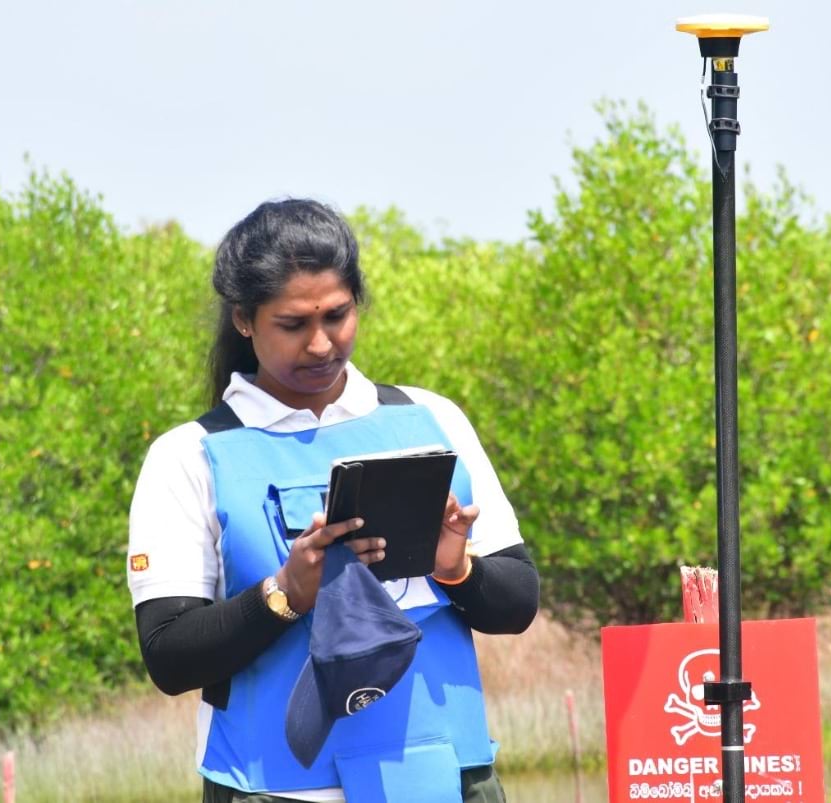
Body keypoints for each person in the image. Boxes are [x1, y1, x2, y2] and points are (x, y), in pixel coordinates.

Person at [126, 198, 540, 803]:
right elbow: (170, 657)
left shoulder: (433, 419)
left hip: (446, 776)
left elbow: (518, 604)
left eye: (338, 316)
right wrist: (286, 594)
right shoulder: (187, 455)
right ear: (244, 319)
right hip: (277, 789)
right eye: (293, 325)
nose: (321, 344)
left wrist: (456, 569)